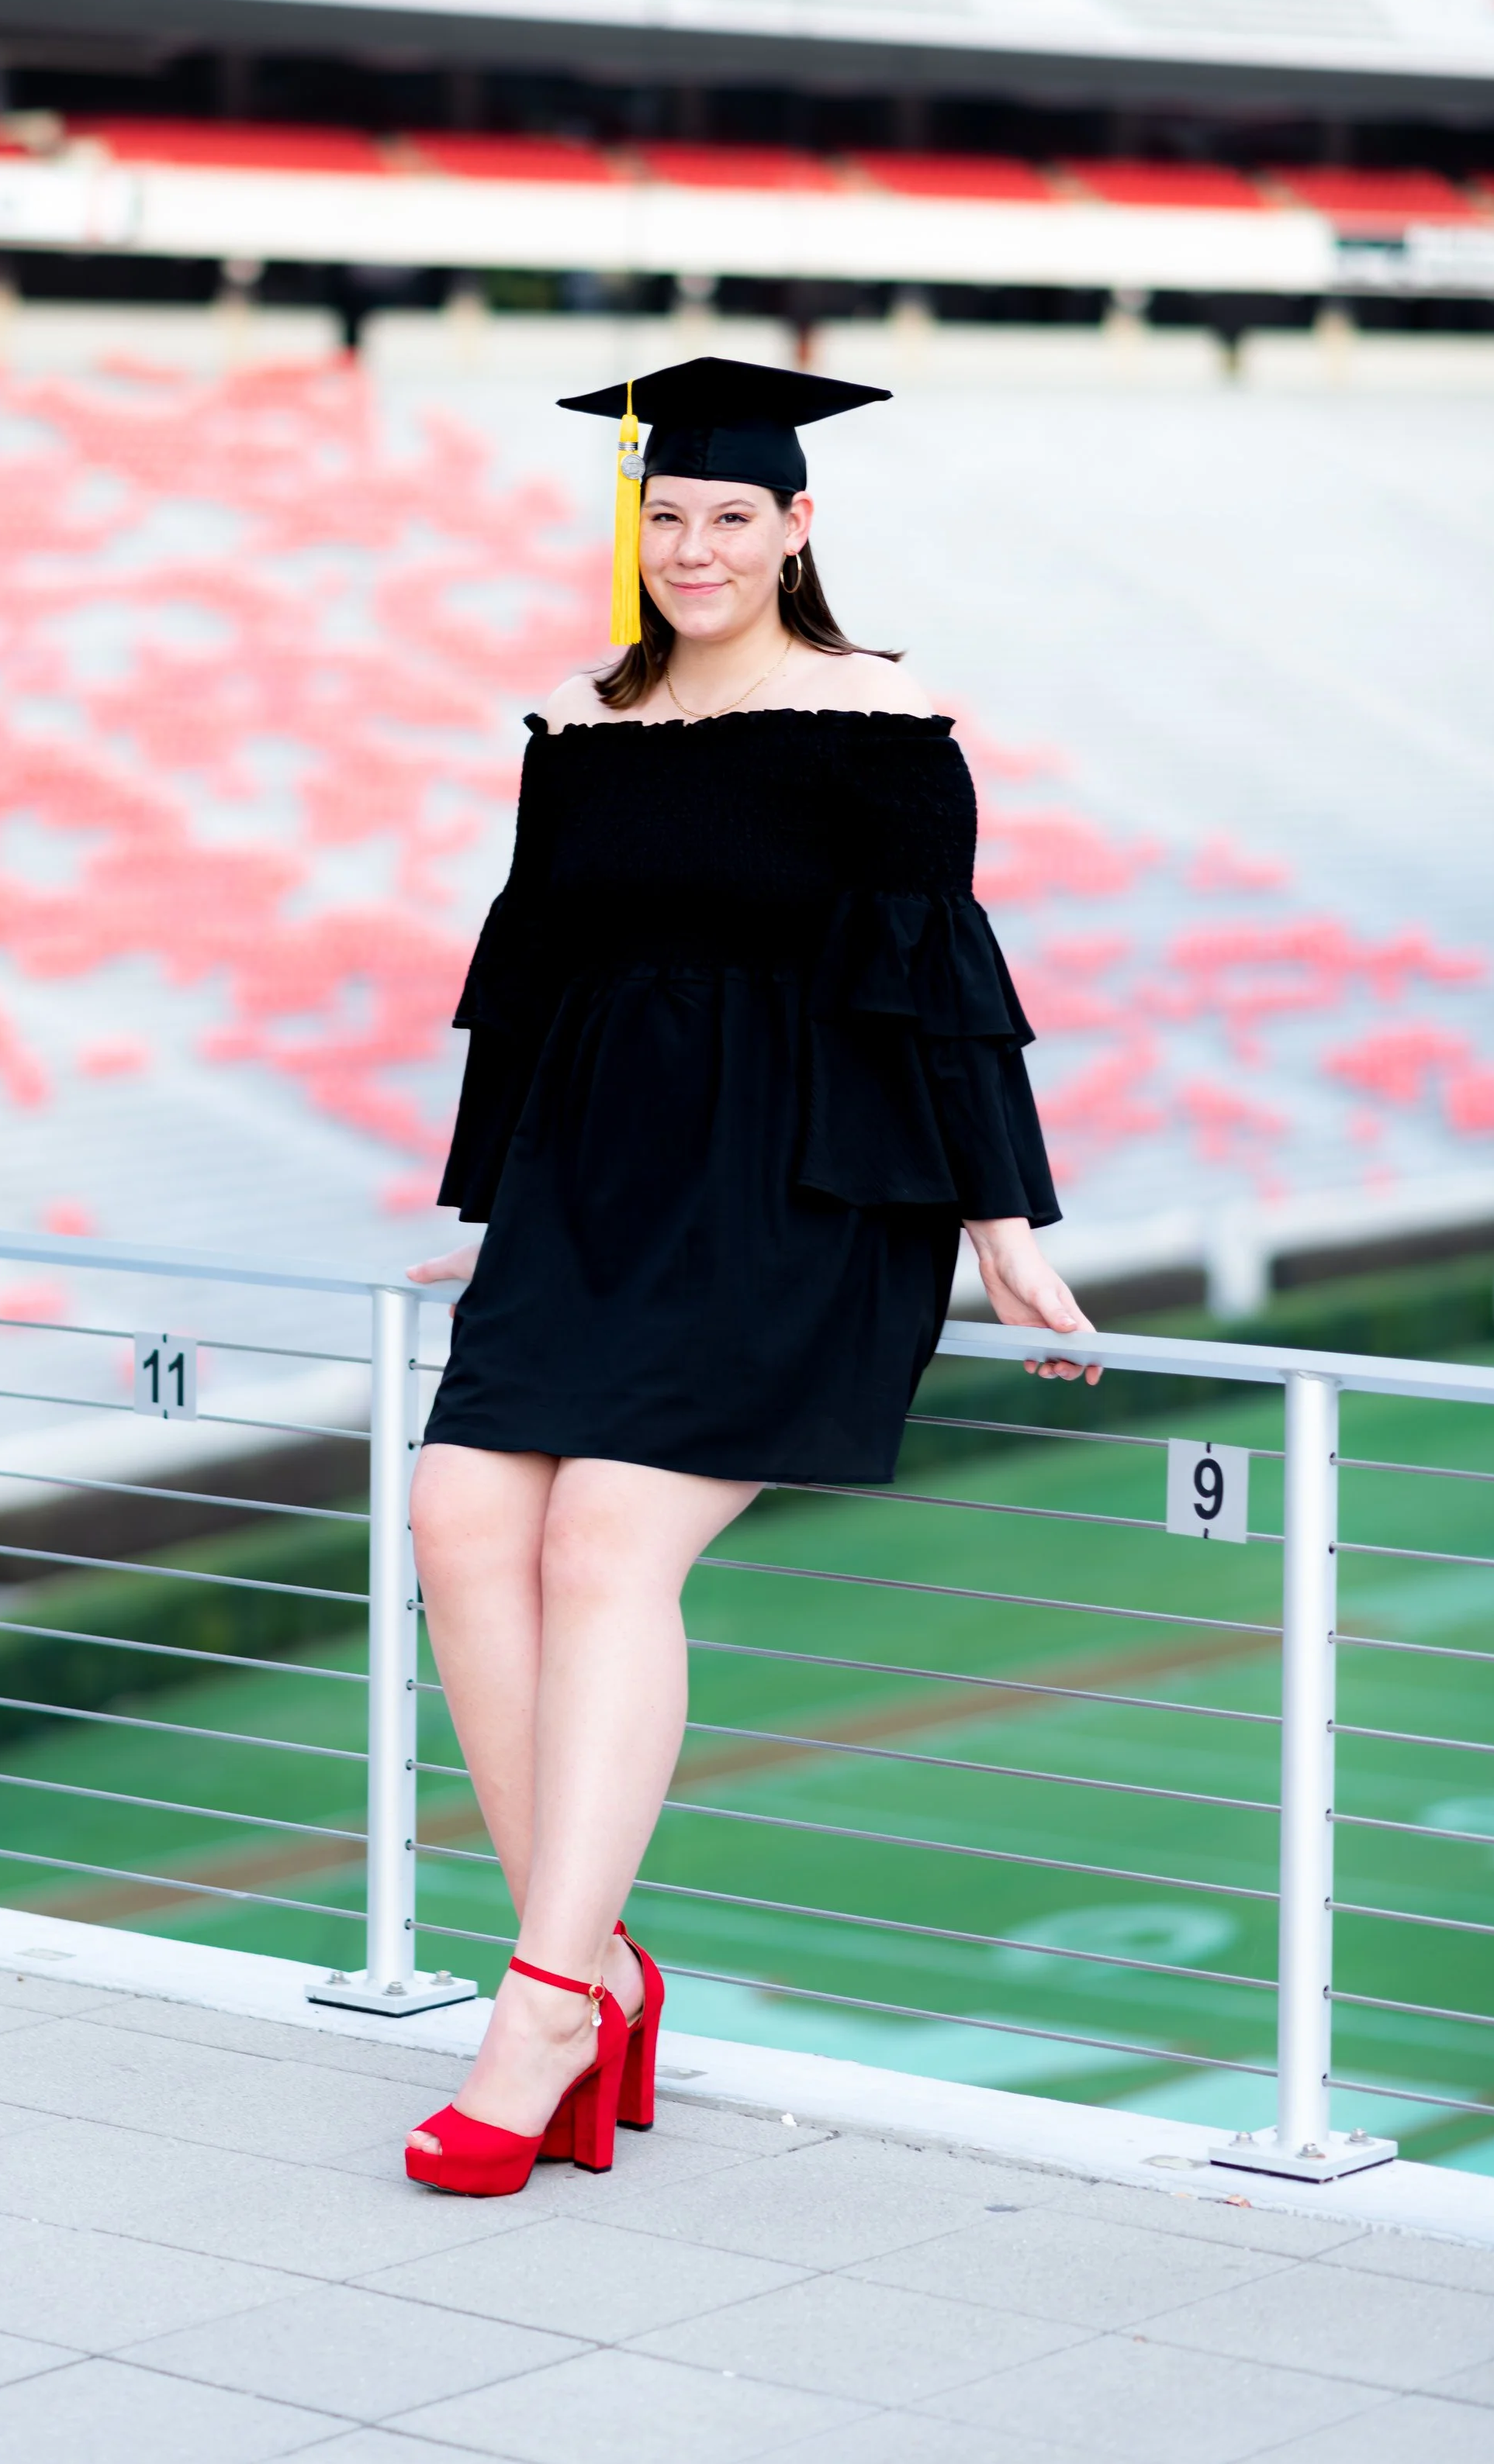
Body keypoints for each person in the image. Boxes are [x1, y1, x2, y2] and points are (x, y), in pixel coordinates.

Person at [401, 356, 1096, 2197]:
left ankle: (543, 1996)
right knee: (459, 1515)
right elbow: (528, 980)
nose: (690, 546)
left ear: (798, 525)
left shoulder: (880, 721)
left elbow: (935, 985)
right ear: (630, 530)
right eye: (663, 515)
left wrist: (1000, 1230)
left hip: (800, 1178)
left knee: (604, 1538)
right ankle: (602, 1961)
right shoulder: (574, 724)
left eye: (727, 516)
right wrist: (487, 1205)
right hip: (591, 1182)